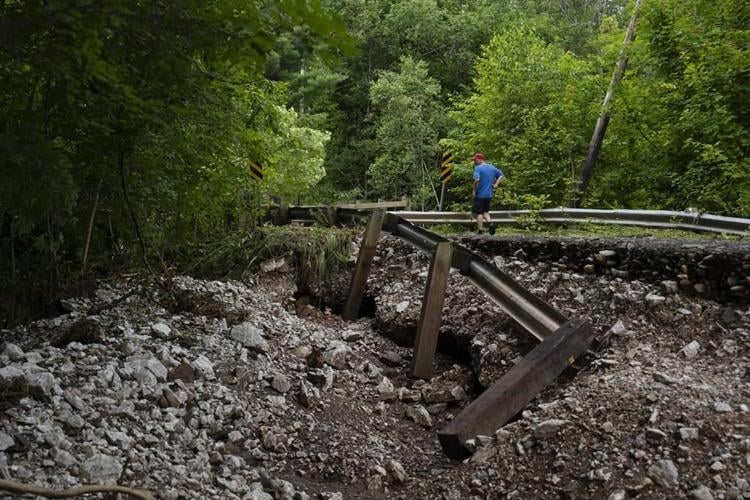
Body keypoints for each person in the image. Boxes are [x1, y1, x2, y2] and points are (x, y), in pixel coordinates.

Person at [471, 153, 503, 234]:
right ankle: (490, 223)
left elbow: (477, 180)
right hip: (489, 194)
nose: (474, 161)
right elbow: (501, 175)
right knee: (485, 211)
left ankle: (480, 230)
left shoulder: (478, 168)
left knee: (479, 213)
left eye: (475, 160)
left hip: (480, 194)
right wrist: (496, 184)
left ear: (480, 159)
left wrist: (474, 191)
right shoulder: (492, 167)